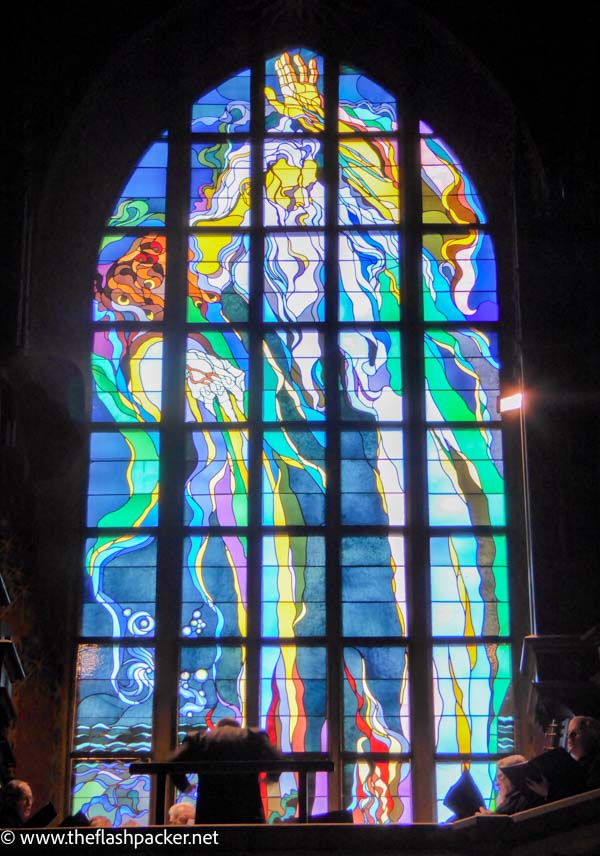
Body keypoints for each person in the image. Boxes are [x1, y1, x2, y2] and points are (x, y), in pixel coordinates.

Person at [169, 718, 281, 823]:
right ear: (238, 728)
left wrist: (184, 785)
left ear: (216, 728)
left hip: (210, 810)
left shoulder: (200, 739)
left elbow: (173, 762)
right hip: (247, 810)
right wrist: (271, 777)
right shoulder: (254, 737)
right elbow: (277, 759)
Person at [476, 755, 544, 816]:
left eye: (500, 777)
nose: (497, 783)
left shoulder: (526, 799)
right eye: (496, 778)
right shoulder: (506, 800)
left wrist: (493, 818)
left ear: (513, 776)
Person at [566, 715, 600, 790]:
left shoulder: (596, 764)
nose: (569, 738)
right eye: (568, 734)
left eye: (574, 733)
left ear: (590, 734)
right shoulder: (576, 764)